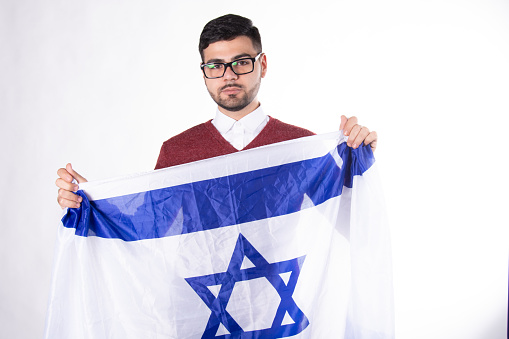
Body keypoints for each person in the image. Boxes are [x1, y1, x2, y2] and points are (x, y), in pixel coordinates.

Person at [56, 14, 378, 209]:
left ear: (262, 64)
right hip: (206, 316)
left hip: (285, 313)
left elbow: (349, 220)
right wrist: (89, 202)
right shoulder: (177, 152)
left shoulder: (300, 147)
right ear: (204, 72)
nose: (229, 75)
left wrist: (358, 162)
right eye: (216, 65)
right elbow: (148, 231)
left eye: (241, 61)